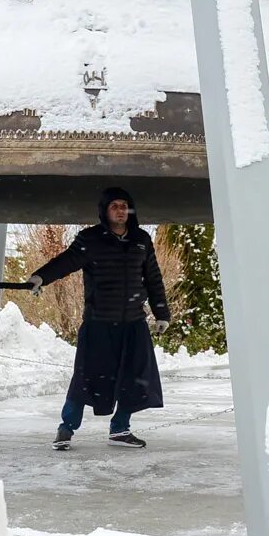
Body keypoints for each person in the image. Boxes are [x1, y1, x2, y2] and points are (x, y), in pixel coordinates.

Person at [29, 187, 170, 450]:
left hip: (133, 324)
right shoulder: (90, 239)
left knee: (133, 378)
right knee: (85, 378)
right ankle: (66, 428)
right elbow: (66, 261)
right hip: (99, 324)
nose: (120, 210)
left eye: (124, 205)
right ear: (105, 211)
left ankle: (120, 429)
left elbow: (153, 278)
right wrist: (40, 277)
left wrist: (162, 313)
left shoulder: (141, 239)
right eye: (114, 205)